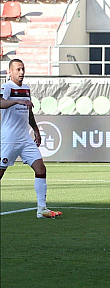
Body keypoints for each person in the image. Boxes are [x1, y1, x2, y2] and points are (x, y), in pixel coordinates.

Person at [0, 59, 62, 219]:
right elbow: (0, 102)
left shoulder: (26, 89)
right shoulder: (6, 87)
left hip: (25, 139)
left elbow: (28, 112)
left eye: (23, 69)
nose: (21, 72)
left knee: (41, 169)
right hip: (9, 140)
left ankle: (42, 209)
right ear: (10, 72)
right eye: (18, 69)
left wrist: (35, 130)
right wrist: (16, 100)